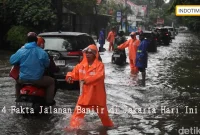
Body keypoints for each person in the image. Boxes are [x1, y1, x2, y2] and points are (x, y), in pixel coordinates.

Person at [65, 44, 114, 130]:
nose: (87, 54)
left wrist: (86, 80)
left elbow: (99, 75)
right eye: (86, 53)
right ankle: (73, 130)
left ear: (95, 54)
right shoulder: (80, 65)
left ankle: (110, 127)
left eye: (90, 53)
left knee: (104, 117)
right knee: (76, 117)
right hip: (84, 96)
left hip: (97, 97)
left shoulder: (100, 65)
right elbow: (73, 73)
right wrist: (69, 77)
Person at [9, 32, 55, 106]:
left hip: (23, 79)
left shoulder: (21, 51)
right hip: (37, 79)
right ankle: (49, 102)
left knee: (17, 83)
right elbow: (47, 64)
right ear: (36, 41)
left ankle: (17, 99)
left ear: (27, 41)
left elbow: (12, 61)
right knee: (52, 82)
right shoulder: (42, 52)